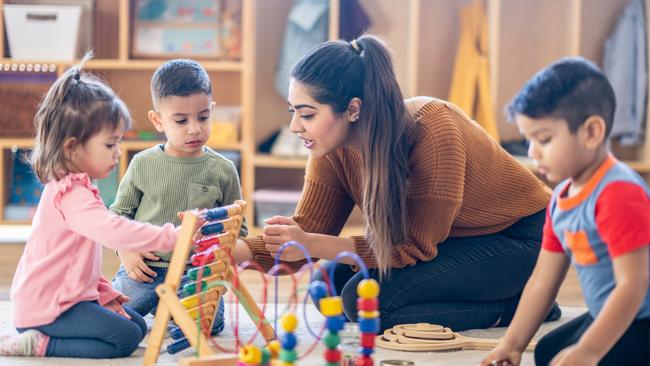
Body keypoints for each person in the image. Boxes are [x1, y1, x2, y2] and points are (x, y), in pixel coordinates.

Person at [231, 34, 560, 331]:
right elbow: (306, 232)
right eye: (293, 112)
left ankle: (520, 307)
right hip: (453, 239)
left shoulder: (432, 130)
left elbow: (412, 247)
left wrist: (312, 243)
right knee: (328, 287)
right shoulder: (330, 150)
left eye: (307, 114)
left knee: (367, 305)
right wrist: (237, 251)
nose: (294, 127)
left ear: (353, 109)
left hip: (524, 239)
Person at [0, 54, 180, 359]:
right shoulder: (71, 194)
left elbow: (77, 261)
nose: (117, 152)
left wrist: (103, 294)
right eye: (110, 145)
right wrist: (170, 236)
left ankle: (52, 332)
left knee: (135, 326)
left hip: (66, 298)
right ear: (72, 147)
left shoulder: (78, 186)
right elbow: (113, 232)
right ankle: (40, 344)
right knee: (123, 339)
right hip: (47, 308)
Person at [481, 58, 650, 366]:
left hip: (642, 318)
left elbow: (633, 284)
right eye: (528, 139)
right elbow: (543, 280)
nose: (533, 152)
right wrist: (512, 344)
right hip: (610, 311)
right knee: (548, 353)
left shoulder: (618, 193)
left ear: (591, 132)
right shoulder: (560, 199)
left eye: (544, 139)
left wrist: (590, 351)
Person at [110, 59, 247, 336]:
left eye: (203, 117)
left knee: (205, 327)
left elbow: (239, 230)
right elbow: (116, 216)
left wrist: (215, 259)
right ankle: (161, 305)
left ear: (212, 111)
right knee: (112, 318)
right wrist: (126, 250)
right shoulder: (142, 163)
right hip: (145, 269)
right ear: (158, 120)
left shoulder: (224, 169)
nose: (194, 129)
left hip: (195, 274)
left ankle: (169, 308)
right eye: (181, 120)